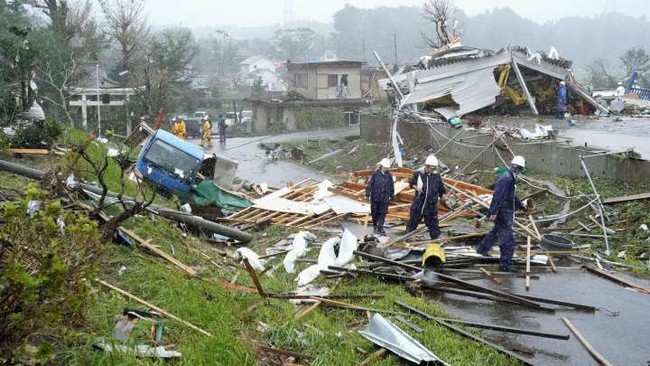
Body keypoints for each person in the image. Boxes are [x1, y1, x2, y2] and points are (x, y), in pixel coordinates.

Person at [476, 155, 529, 272]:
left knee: (495, 232)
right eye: (519, 169)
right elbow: (497, 196)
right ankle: (505, 264)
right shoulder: (507, 179)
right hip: (503, 213)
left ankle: (482, 249)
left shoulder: (510, 178)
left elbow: (511, 196)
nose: (519, 172)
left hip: (504, 212)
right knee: (507, 240)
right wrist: (493, 212)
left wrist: (520, 205)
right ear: (517, 168)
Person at [406, 155, 446, 240]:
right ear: (427, 166)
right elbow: (412, 183)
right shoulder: (419, 174)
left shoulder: (436, 176)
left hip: (431, 205)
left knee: (433, 225)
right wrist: (416, 187)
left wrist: (444, 197)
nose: (433, 170)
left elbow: (441, 189)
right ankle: (407, 238)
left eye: (434, 168)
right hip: (419, 204)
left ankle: (435, 240)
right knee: (413, 222)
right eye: (431, 168)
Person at [365, 158, 394, 235]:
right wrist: (367, 194)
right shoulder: (375, 174)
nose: (386, 169)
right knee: (374, 212)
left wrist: (391, 195)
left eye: (387, 168)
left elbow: (391, 186)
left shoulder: (389, 176)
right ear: (381, 166)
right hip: (375, 197)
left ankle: (380, 227)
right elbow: (370, 184)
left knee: (383, 213)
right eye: (385, 167)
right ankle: (375, 225)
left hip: (385, 198)